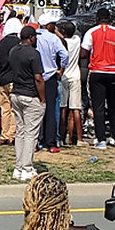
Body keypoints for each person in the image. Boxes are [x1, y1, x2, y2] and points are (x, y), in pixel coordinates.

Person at [83, 8, 115, 148]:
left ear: (97, 19)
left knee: (98, 107)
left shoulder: (91, 32)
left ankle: (101, 139)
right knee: (114, 105)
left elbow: (84, 53)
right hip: (113, 71)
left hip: (97, 71)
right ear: (109, 19)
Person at [8, 26, 45, 181]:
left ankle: (19, 167)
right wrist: (42, 98)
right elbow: (38, 78)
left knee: (21, 132)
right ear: (31, 38)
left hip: (16, 93)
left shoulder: (13, 51)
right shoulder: (33, 53)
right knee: (31, 133)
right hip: (30, 95)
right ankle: (27, 168)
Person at [35, 14, 69, 151]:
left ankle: (36, 140)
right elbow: (64, 54)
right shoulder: (53, 38)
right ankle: (50, 142)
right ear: (48, 25)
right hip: (50, 77)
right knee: (50, 111)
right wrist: (61, 69)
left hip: (35, 77)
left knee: (35, 110)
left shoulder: (33, 37)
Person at [0, 17, 23, 144]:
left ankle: (4, 135)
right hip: (15, 79)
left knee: (4, 108)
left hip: (3, 79)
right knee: (15, 109)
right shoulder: (19, 43)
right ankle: (12, 134)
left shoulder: (0, 43)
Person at [55, 20, 84, 146]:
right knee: (75, 109)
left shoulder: (62, 43)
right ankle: (77, 138)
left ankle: (61, 137)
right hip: (75, 75)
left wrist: (55, 30)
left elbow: (61, 36)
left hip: (64, 76)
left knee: (63, 109)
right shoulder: (77, 40)